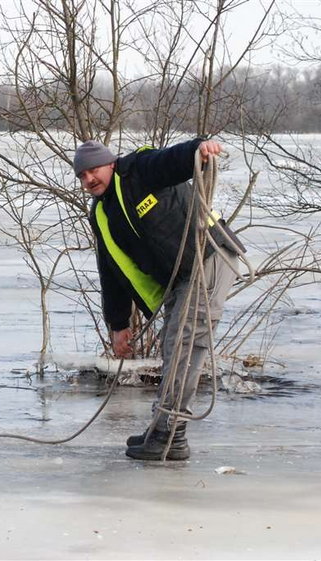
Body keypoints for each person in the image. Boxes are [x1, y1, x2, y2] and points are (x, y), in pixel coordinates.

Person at [73, 137, 244, 461]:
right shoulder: (103, 214)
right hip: (180, 277)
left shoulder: (138, 171)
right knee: (173, 344)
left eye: (93, 170)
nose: (88, 180)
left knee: (184, 344)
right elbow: (111, 269)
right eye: (81, 176)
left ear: (110, 164)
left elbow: (170, 161)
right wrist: (119, 324)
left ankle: (170, 435)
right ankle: (163, 427)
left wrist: (199, 149)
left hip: (208, 257)